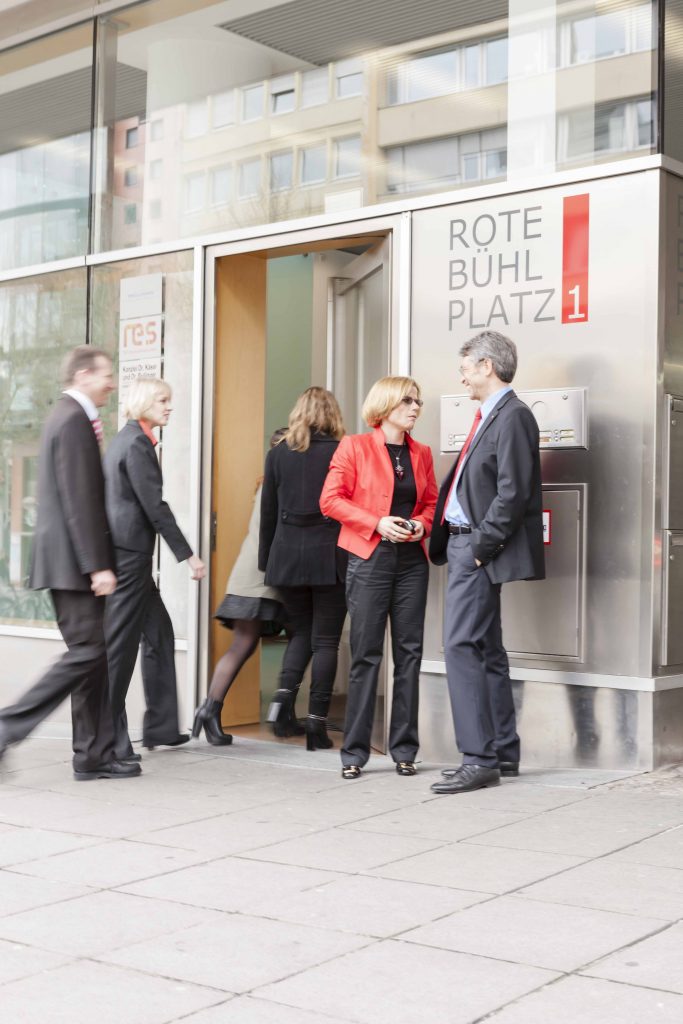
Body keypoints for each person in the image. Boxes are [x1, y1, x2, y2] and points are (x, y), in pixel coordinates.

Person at [0, 347, 140, 781]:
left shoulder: (70, 416)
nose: (111, 384)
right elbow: (80, 499)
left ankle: (93, 755)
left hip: (70, 560)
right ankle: (8, 727)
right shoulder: (72, 419)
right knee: (88, 652)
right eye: (106, 375)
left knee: (94, 656)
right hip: (74, 564)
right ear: (83, 375)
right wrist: (97, 565)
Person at [429, 330, 545, 795]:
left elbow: (513, 493)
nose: (462, 379)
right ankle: (502, 751)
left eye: (465, 369)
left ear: (486, 366)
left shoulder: (513, 416)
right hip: (466, 546)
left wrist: (480, 548)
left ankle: (478, 759)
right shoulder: (493, 415)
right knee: (487, 648)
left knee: (460, 646)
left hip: (475, 550)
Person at [320, 376, 438, 779]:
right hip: (369, 558)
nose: (415, 407)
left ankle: (404, 749)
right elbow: (330, 500)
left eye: (418, 401)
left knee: (409, 654)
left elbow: (431, 503)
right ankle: (354, 753)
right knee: (366, 654)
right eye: (407, 400)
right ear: (385, 405)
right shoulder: (354, 447)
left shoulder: (421, 453)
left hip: (411, 562)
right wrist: (376, 522)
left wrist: (421, 526)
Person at [103, 377, 205, 761]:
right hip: (129, 560)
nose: (169, 406)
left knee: (159, 634)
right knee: (120, 651)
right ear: (145, 402)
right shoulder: (135, 444)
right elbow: (155, 507)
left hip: (131, 559)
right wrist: (189, 555)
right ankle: (109, 739)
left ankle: (161, 726)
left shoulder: (130, 440)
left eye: (169, 400)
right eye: (162, 400)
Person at [259, 387, 347, 751]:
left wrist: (266, 562)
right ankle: (316, 725)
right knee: (325, 641)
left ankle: (281, 703)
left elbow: (268, 511)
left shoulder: (278, 454)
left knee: (300, 634)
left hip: (286, 559)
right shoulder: (343, 451)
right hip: (330, 558)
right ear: (332, 414)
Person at [192, 430, 291, 746]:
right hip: (259, 577)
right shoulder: (278, 484)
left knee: (246, 644)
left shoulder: (267, 483)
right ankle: (211, 709)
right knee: (245, 643)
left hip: (253, 575)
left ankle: (211, 711)